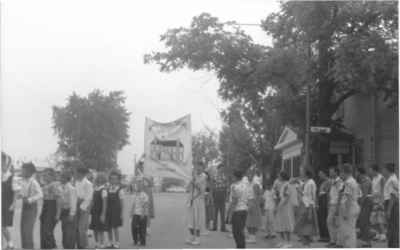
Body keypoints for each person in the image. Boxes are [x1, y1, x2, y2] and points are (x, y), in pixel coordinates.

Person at [18, 162, 43, 249]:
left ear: (29, 172)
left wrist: (30, 199)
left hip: (31, 207)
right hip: (25, 207)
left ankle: (29, 247)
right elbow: (22, 192)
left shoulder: (34, 182)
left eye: (23, 170)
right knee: (23, 230)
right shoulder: (23, 181)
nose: (21, 171)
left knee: (28, 230)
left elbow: (40, 194)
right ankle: (25, 247)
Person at [337, 163, 361, 248]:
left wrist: (346, 212)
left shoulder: (349, 182)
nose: (340, 175)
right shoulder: (351, 181)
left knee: (348, 232)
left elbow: (348, 198)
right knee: (349, 230)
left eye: (340, 173)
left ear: (344, 172)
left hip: (349, 208)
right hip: (352, 207)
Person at [295, 169, 318, 246]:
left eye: (302, 173)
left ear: (306, 174)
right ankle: (306, 245)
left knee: (305, 229)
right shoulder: (306, 182)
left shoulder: (311, 183)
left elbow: (312, 197)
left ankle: (307, 245)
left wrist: (310, 211)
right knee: (302, 229)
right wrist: (299, 190)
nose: (301, 175)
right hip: (304, 205)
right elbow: (304, 194)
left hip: (308, 207)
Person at [40, 168, 62, 249]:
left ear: (52, 176)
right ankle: (47, 247)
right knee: (44, 231)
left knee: (47, 231)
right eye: (44, 175)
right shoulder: (46, 185)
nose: (44, 177)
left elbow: (59, 199)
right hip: (45, 207)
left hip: (52, 208)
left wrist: (58, 214)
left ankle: (52, 247)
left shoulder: (54, 185)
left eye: (46, 175)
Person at [2, 152, 19, 250]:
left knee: (3, 226)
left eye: (3, 163)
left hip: (6, 204)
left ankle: (11, 244)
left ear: (7, 164)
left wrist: (13, 204)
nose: (1, 165)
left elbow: (16, 192)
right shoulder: (1, 175)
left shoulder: (13, 177)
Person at [229, 169, 250, 249]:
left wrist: (230, 214)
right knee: (240, 231)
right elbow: (248, 198)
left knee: (236, 232)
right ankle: (242, 247)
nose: (232, 177)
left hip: (237, 211)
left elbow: (234, 201)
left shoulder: (234, 186)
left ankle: (240, 247)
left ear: (235, 177)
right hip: (244, 210)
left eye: (233, 176)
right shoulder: (246, 185)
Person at [274, 171, 295, 248]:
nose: (278, 177)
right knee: (281, 224)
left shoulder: (287, 185)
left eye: (279, 176)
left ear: (283, 177)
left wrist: (280, 205)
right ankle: (283, 241)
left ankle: (289, 242)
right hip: (281, 207)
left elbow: (286, 197)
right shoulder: (282, 185)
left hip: (286, 207)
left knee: (287, 223)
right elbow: (280, 196)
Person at [185, 166, 206, 245]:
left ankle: (197, 239)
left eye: (199, 168)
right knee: (190, 220)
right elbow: (187, 188)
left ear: (202, 169)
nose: (197, 170)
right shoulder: (193, 177)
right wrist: (191, 181)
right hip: (191, 201)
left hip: (198, 201)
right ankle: (191, 236)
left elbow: (201, 190)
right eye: (196, 169)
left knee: (197, 220)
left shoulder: (203, 177)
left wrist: (194, 182)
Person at [58, 170, 78, 249]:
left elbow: (73, 202)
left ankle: (69, 247)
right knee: (64, 231)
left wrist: (72, 214)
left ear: (66, 178)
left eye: (62, 177)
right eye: (60, 176)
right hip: (63, 211)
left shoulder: (71, 188)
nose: (60, 178)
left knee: (69, 233)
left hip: (69, 212)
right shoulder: (61, 187)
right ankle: (65, 247)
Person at [75, 165, 93, 249]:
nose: (76, 174)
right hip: (76, 204)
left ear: (82, 174)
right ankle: (79, 244)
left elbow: (88, 197)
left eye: (78, 173)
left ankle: (84, 245)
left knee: (82, 227)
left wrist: (82, 208)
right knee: (76, 227)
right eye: (76, 172)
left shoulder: (88, 184)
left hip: (84, 205)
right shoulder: (76, 182)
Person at [89, 172, 109, 248]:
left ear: (103, 179)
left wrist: (103, 214)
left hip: (100, 211)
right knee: (95, 228)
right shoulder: (95, 189)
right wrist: (89, 209)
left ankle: (102, 243)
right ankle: (96, 242)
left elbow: (105, 203)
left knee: (101, 229)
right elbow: (92, 201)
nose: (99, 179)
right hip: (94, 212)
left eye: (101, 178)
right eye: (98, 178)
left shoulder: (103, 189)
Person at [368, 164, 386, 242]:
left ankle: (383, 235)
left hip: (379, 201)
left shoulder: (381, 178)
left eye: (370, 169)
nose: (369, 171)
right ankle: (378, 234)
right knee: (374, 219)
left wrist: (381, 203)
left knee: (380, 219)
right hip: (374, 200)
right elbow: (373, 190)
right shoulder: (373, 178)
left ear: (374, 170)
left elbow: (383, 191)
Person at [382, 163, 399, 248]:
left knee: (393, 228)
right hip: (390, 204)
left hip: (391, 205)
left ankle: (394, 246)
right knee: (391, 227)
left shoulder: (392, 180)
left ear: (387, 170)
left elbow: (393, 196)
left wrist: (388, 210)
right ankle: (392, 245)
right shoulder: (391, 179)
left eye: (383, 169)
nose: (382, 171)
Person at [355, 166, 373, 247]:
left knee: (364, 221)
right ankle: (365, 239)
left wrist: (360, 204)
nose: (355, 173)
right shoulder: (361, 180)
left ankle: (368, 241)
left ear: (359, 172)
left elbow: (365, 193)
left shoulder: (366, 180)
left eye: (356, 172)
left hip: (366, 201)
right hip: (363, 201)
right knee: (362, 221)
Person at [106, 170, 124, 249]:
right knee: (109, 227)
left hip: (116, 211)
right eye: (112, 179)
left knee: (115, 227)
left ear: (118, 180)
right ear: (109, 179)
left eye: (115, 179)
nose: (113, 180)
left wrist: (121, 214)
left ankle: (117, 242)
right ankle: (110, 242)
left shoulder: (120, 190)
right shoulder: (107, 188)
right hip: (108, 211)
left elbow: (122, 203)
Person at [326, 167, 343, 247]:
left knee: (337, 223)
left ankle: (338, 242)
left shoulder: (339, 181)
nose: (330, 173)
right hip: (332, 204)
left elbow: (340, 193)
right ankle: (333, 240)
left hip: (336, 204)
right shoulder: (333, 181)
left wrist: (338, 206)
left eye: (331, 171)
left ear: (336, 172)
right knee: (330, 222)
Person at [130, 180, 149, 246]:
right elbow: (133, 204)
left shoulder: (144, 195)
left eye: (140, 186)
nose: (138, 187)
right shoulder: (134, 195)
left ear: (142, 187)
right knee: (133, 227)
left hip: (143, 214)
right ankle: (135, 241)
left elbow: (145, 205)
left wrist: (143, 214)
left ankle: (142, 242)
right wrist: (131, 212)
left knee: (142, 229)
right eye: (137, 186)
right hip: (135, 214)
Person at [246, 172, 262, 244]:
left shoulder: (255, 184)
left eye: (250, 175)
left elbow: (257, 195)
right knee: (248, 221)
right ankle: (251, 236)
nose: (249, 176)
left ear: (252, 176)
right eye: (248, 175)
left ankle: (253, 237)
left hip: (253, 204)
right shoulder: (248, 184)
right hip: (248, 202)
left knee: (252, 222)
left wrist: (253, 205)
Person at [211, 164, 228, 232]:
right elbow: (212, 186)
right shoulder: (214, 176)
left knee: (223, 212)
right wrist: (211, 196)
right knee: (215, 211)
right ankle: (214, 227)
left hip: (222, 194)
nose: (222, 169)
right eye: (221, 168)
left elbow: (226, 186)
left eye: (223, 168)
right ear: (218, 169)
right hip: (216, 194)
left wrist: (226, 196)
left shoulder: (225, 176)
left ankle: (223, 228)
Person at [317, 170, 330, 242]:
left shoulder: (328, 181)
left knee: (324, 219)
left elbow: (327, 192)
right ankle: (322, 235)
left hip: (325, 202)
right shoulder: (322, 182)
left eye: (320, 174)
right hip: (321, 202)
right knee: (320, 219)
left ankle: (326, 236)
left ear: (324, 174)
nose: (319, 176)